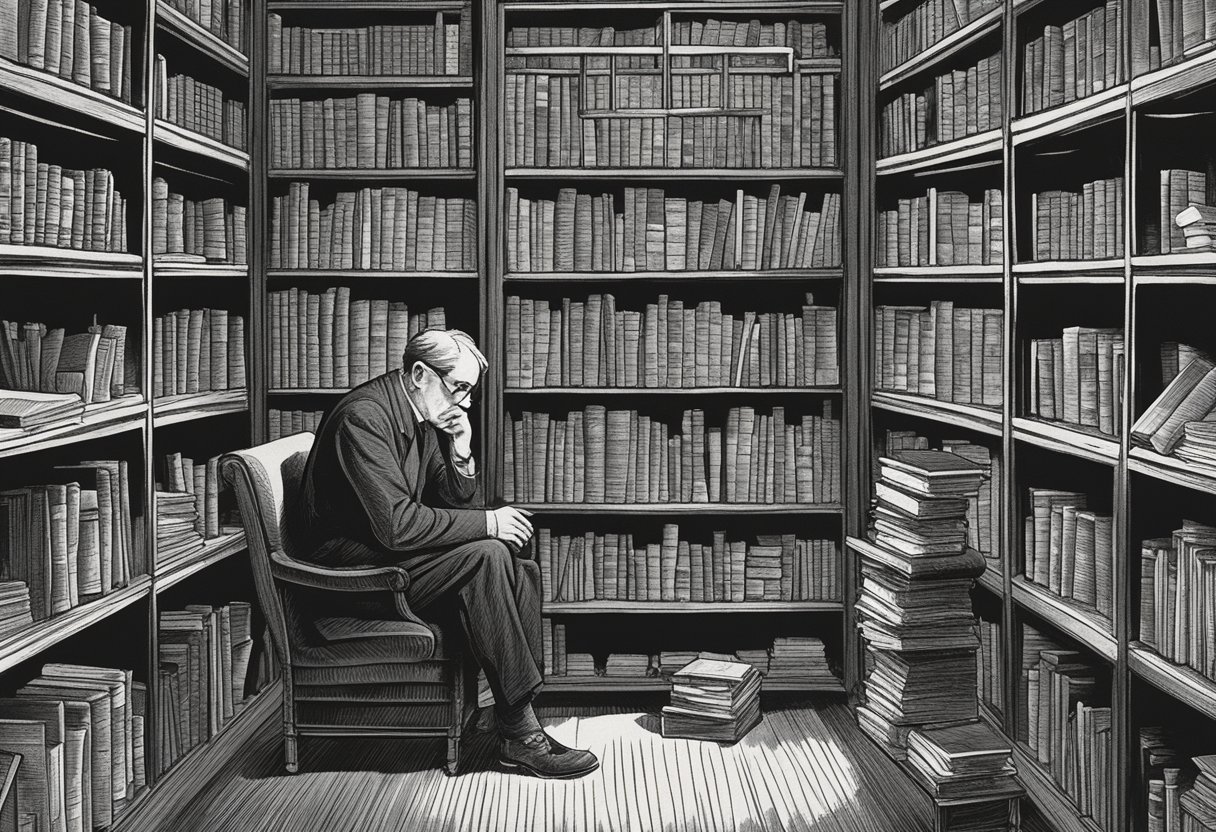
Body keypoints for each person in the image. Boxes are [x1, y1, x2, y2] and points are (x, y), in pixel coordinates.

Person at [293, 327, 599, 779]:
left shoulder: (421, 412)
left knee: (519, 561)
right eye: (459, 387)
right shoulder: (363, 419)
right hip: (353, 575)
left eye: (470, 392)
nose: (465, 402)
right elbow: (397, 526)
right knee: (488, 555)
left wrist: (461, 449)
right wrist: (489, 523)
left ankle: (516, 714)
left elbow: (451, 505)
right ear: (420, 373)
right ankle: (518, 731)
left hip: (389, 557)